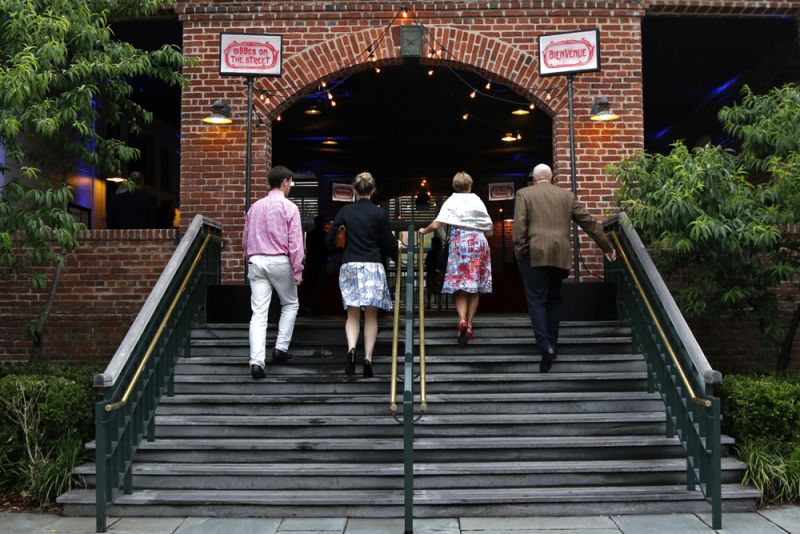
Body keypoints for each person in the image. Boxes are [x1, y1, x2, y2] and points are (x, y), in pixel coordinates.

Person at [512, 163, 616, 373]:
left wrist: (519, 251)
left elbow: (520, 226)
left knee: (536, 300)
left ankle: (545, 346)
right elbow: (588, 222)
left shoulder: (524, 194)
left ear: (534, 178)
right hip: (560, 254)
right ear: (551, 178)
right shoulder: (567, 196)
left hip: (535, 253)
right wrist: (607, 247)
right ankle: (552, 344)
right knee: (554, 300)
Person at [325, 172, 398, 378]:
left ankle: (350, 350)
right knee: (371, 315)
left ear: (354, 191)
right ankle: (367, 358)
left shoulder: (345, 212)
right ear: (373, 191)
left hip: (350, 265)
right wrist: (399, 251)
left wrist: (338, 251)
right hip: (373, 266)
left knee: (352, 313)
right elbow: (388, 244)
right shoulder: (379, 213)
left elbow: (329, 238)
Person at [242, 165, 304, 380]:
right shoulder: (290, 207)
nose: (290, 187)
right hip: (279, 260)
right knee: (290, 303)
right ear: (285, 181)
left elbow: (245, 238)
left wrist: (248, 259)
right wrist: (298, 270)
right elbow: (295, 243)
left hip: (256, 260)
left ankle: (256, 362)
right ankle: (280, 348)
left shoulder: (254, 207)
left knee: (258, 313)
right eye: (291, 183)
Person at [419, 171, 493, 346]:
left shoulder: (451, 201)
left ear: (454, 185)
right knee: (474, 287)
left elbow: (437, 224)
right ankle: (470, 326)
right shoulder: (477, 200)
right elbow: (489, 228)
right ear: (470, 185)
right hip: (477, 243)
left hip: (459, 244)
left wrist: (425, 230)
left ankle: (461, 320)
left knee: (460, 285)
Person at [301, 215, 328, 315]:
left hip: (311, 262)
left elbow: (308, 248)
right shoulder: (324, 234)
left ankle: (309, 306)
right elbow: (327, 248)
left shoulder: (310, 234)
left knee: (311, 285)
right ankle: (310, 305)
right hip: (320, 262)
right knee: (319, 286)